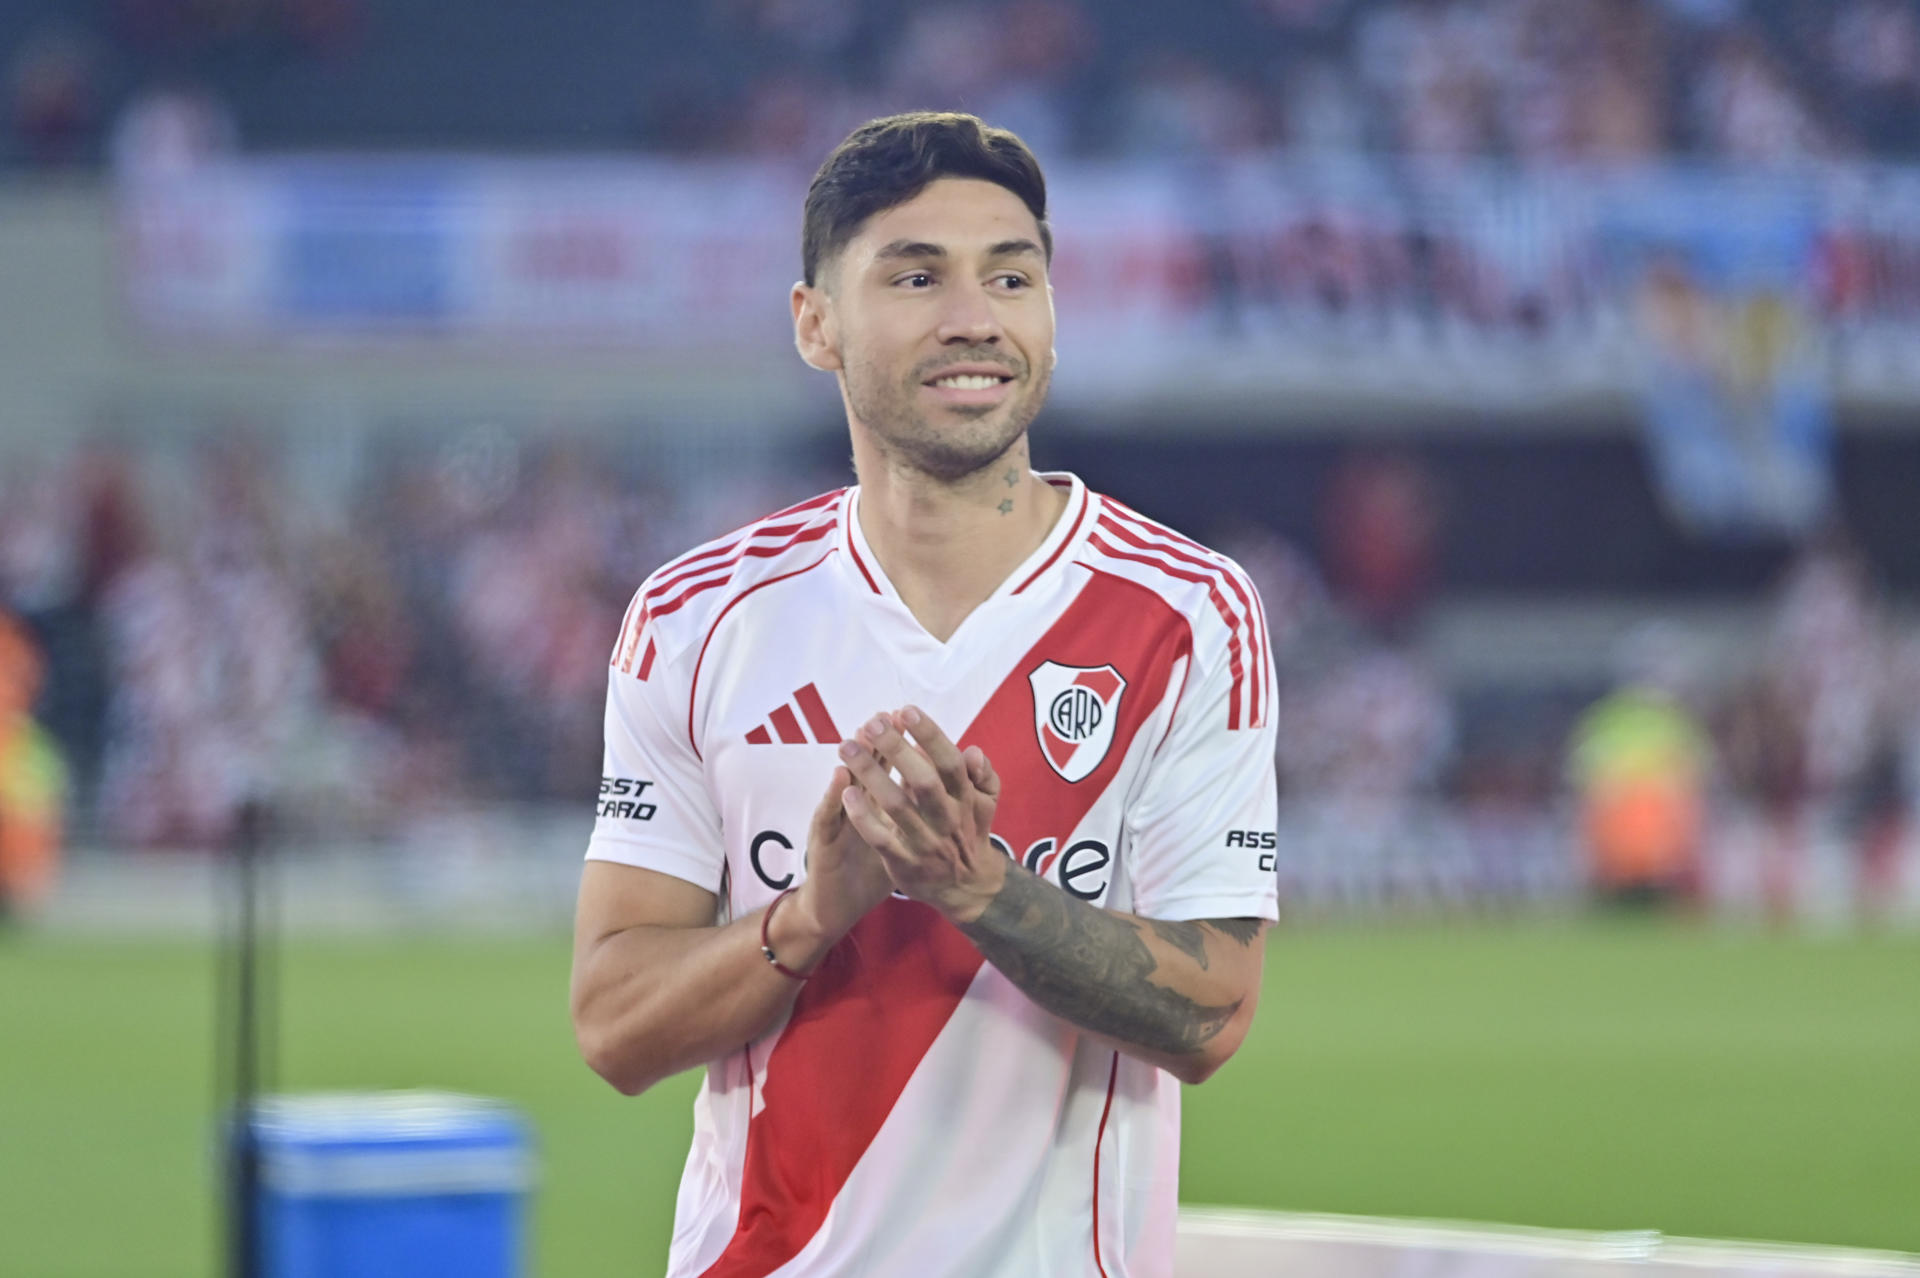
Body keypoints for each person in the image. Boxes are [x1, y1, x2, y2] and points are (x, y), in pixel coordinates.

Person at [570, 111, 1279, 1278]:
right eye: (916, 275)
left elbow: (1212, 1016)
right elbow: (613, 1025)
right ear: (816, 325)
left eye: (1013, 275)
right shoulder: (698, 617)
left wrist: (975, 887)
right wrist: (810, 914)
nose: (975, 317)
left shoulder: (1188, 613)